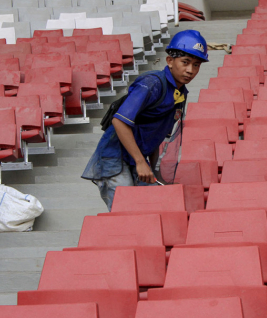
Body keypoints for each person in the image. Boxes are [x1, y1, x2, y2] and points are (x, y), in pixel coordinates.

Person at [82, 30, 208, 210]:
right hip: (115, 156)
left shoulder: (179, 93)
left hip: (138, 157)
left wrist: (153, 168)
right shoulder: (152, 84)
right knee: (126, 210)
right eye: (185, 62)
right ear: (170, 61)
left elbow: (156, 134)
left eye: (196, 65)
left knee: (150, 207)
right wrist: (141, 162)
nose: (190, 70)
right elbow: (120, 121)